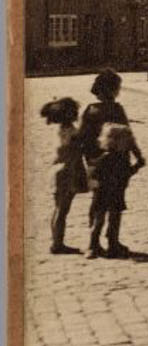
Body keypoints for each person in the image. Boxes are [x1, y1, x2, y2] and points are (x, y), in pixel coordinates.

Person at [87, 124, 141, 259]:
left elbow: (93, 172)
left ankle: (99, 245)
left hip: (107, 192)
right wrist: (137, 166)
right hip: (111, 192)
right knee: (110, 219)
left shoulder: (108, 157)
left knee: (102, 219)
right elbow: (126, 173)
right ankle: (105, 244)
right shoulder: (118, 158)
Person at [39, 97, 83, 255]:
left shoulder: (60, 130)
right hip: (67, 171)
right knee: (63, 210)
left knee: (58, 208)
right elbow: (78, 151)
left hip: (57, 170)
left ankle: (55, 241)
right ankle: (58, 244)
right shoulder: (72, 131)